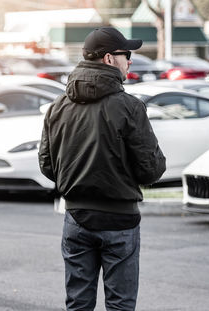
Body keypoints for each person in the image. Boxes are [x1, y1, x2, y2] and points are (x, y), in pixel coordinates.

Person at [38, 27, 166, 311]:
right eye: (126, 55)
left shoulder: (57, 107)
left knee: (78, 304)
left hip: (76, 219)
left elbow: (47, 165)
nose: (130, 61)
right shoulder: (129, 107)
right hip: (120, 221)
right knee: (120, 306)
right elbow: (151, 170)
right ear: (109, 58)